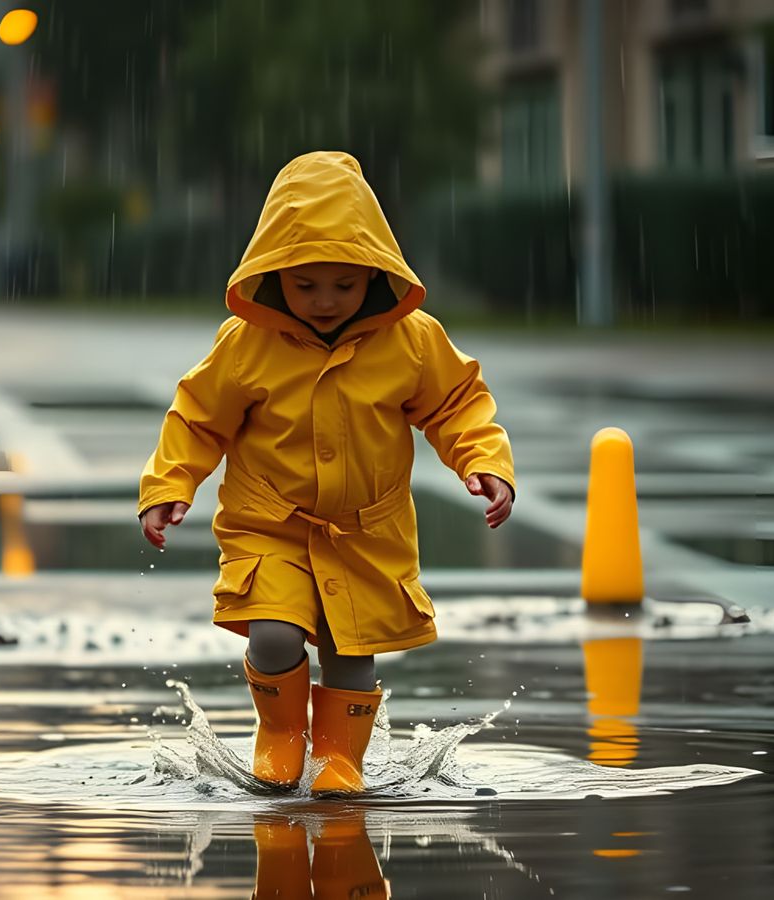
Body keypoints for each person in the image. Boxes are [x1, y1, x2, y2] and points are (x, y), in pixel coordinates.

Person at [138, 150, 515, 794]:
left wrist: (483, 461)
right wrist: (170, 485)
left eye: (343, 285)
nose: (324, 301)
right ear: (273, 271)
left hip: (366, 533)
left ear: (374, 272)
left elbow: (457, 403)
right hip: (270, 525)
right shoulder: (247, 343)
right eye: (304, 285)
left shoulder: (412, 339)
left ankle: (341, 758)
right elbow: (198, 416)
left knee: (350, 652)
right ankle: (281, 734)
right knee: (277, 633)